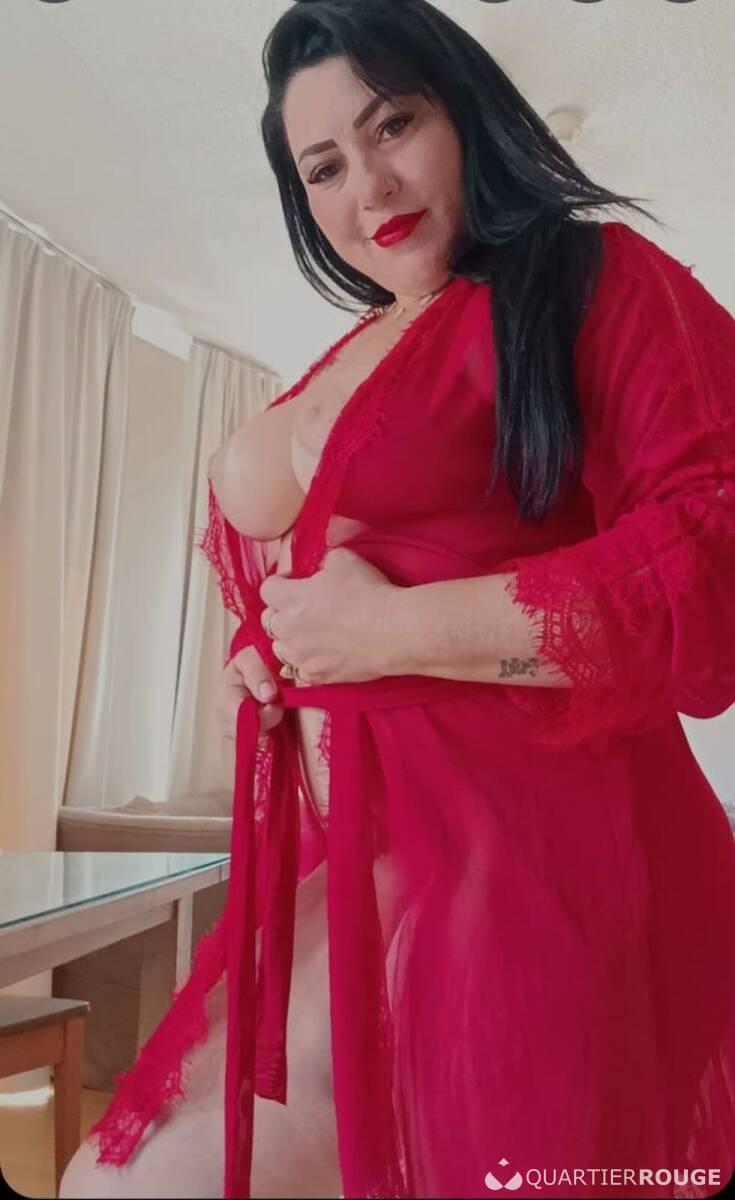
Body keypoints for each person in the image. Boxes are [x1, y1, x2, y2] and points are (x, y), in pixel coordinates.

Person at [60, 1, 735, 1198]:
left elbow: (711, 558)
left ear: (465, 114)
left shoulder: (587, 275)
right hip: (371, 866)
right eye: (324, 165)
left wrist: (393, 630)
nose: (368, 183)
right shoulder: (363, 344)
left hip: (530, 861)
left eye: (394, 125)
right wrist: (268, 659)